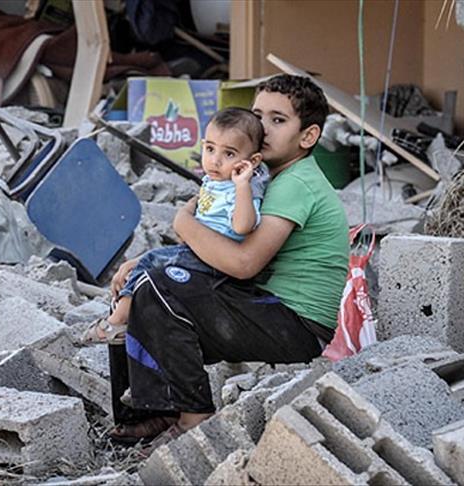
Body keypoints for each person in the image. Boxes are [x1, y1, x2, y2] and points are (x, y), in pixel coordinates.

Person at [109, 74, 350, 445]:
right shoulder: (257, 176)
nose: (262, 128)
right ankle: (149, 413)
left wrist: (181, 222)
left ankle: (193, 417)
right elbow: (215, 240)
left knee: (160, 287)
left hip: (295, 325)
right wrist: (146, 261)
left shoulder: (296, 183)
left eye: (278, 120)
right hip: (259, 304)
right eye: (258, 115)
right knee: (140, 284)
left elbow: (242, 264)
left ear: (308, 137)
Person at [81, 107, 268, 345]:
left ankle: (117, 322)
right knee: (141, 265)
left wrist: (242, 186)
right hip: (197, 251)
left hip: (216, 261)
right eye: (210, 149)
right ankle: (125, 319)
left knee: (150, 264)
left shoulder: (243, 188)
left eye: (229, 154)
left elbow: (243, 226)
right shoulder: (214, 181)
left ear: (252, 161)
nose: (215, 160)